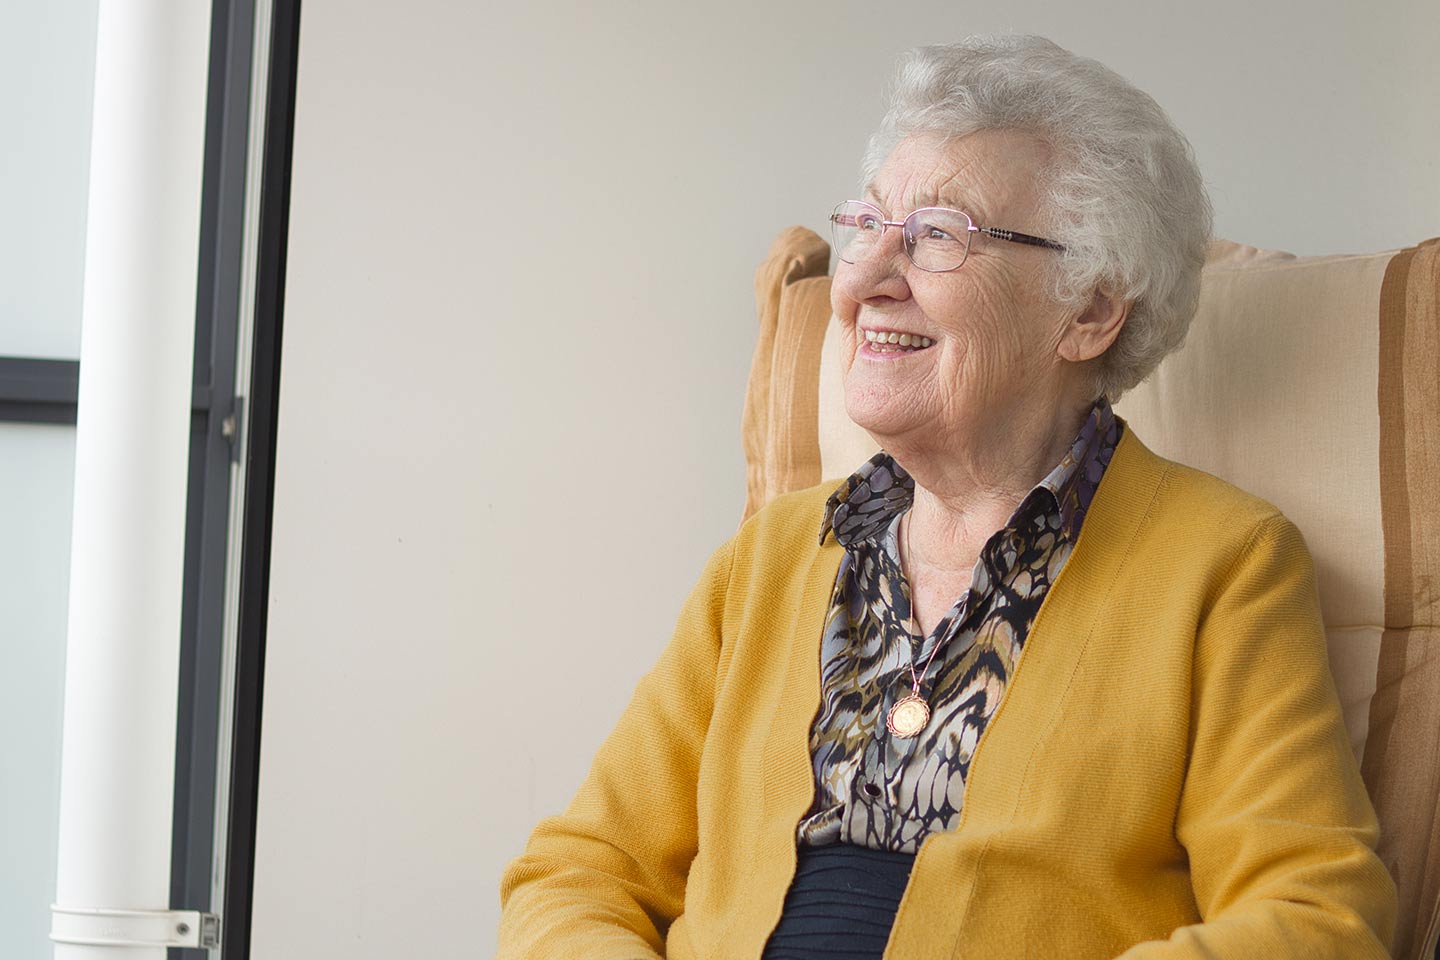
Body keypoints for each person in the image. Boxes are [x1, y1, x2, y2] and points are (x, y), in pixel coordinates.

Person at [497, 36, 1397, 959]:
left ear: (1089, 311)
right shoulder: (770, 557)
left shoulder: (1223, 566)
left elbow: (1315, 918)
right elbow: (578, 872)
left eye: (937, 235)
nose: (867, 281)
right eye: (868, 227)